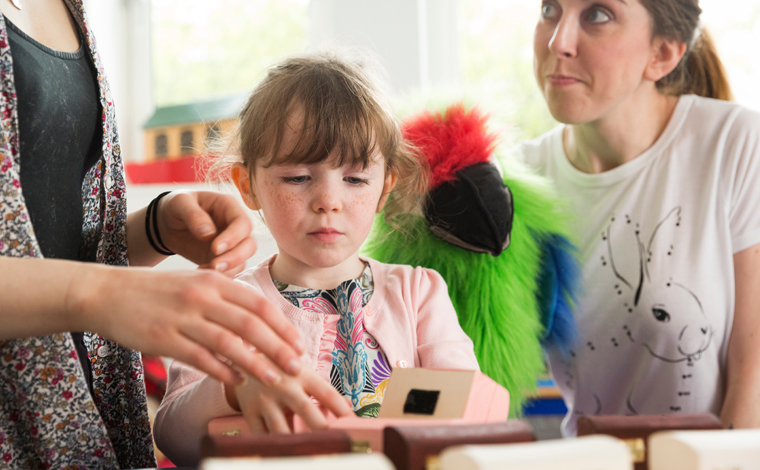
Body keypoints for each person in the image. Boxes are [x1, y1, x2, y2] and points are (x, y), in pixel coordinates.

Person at [0, 1, 335, 468]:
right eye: (298, 176)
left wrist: (153, 230)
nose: (329, 201)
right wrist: (101, 294)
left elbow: (48, 236)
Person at [154, 50, 480, 465]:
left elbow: (465, 407)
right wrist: (234, 388)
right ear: (247, 185)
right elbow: (172, 436)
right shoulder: (224, 305)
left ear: (384, 189)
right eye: (298, 177)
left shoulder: (418, 294)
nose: (328, 201)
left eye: (356, 179)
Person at [517, 0, 760, 436]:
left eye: (597, 15)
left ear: (662, 54)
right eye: (549, 9)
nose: (558, 41)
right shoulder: (520, 182)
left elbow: (754, 367)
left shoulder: (736, 145)